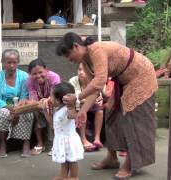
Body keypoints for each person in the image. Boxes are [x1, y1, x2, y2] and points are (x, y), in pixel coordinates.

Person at [56, 32, 157, 179]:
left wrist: (77, 96)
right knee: (110, 113)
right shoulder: (85, 61)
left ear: (76, 46)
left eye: (67, 54)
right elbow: (95, 89)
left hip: (141, 76)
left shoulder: (96, 49)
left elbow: (100, 80)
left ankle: (130, 164)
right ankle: (112, 157)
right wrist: (83, 111)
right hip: (124, 80)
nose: (68, 59)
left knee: (133, 118)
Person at [0, 49, 34, 158]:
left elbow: (24, 95)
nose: (11, 65)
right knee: (3, 114)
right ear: (2, 62)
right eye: (8, 62)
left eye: (14, 62)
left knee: (28, 113)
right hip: (4, 106)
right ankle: (3, 144)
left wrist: (18, 109)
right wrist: (9, 108)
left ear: (18, 62)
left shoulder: (24, 76)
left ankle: (26, 143)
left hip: (20, 105)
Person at [26, 58, 61, 155]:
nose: (38, 76)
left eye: (40, 72)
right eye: (34, 74)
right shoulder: (29, 81)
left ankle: (56, 144)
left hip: (55, 103)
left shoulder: (54, 77)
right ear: (30, 74)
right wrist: (37, 104)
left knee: (53, 113)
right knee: (35, 113)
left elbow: (55, 96)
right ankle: (40, 143)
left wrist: (46, 102)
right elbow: (32, 97)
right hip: (39, 105)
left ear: (46, 70)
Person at [50, 82, 84, 180]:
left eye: (51, 96)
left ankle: (74, 176)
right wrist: (45, 110)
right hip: (60, 139)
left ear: (58, 100)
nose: (49, 98)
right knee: (63, 159)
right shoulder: (57, 109)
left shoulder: (67, 109)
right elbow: (51, 122)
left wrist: (71, 106)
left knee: (72, 160)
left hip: (69, 139)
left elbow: (72, 115)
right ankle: (63, 175)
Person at [69, 63, 104, 152]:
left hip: (91, 106)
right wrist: (87, 101)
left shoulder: (94, 81)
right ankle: (83, 139)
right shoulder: (73, 81)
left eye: (84, 70)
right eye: (79, 69)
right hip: (77, 107)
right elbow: (73, 97)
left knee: (100, 111)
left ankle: (97, 138)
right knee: (82, 110)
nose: (81, 72)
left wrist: (95, 100)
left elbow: (99, 96)